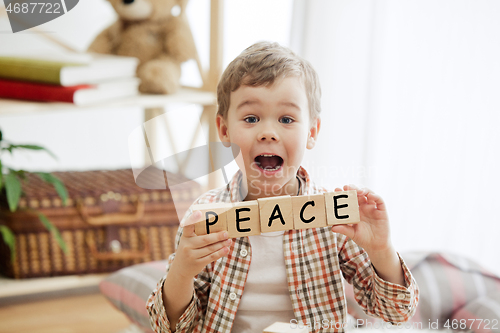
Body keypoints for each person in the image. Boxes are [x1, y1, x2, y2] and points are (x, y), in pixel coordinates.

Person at [147, 41, 419, 333]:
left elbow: (395, 312)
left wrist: (381, 251)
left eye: (286, 119)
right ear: (224, 131)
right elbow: (170, 328)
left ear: (311, 132)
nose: (267, 132)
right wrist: (182, 272)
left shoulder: (334, 217)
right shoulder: (206, 216)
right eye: (251, 119)